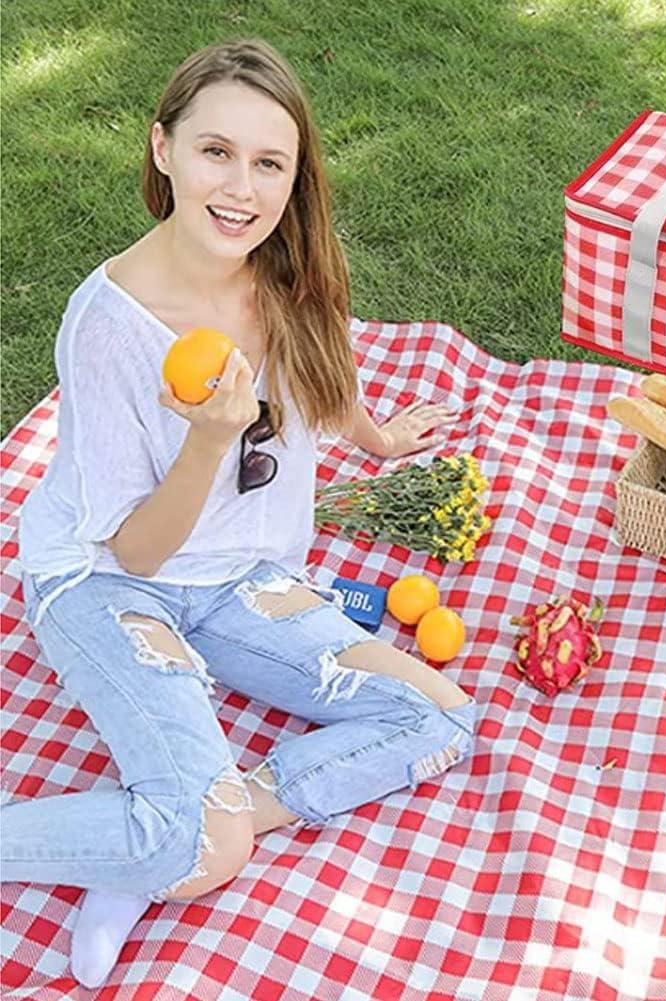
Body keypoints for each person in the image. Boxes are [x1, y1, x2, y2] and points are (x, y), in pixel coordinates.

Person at [2, 38, 480, 989]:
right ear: (162, 148)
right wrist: (211, 439)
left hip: (239, 584)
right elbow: (133, 549)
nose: (241, 188)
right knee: (204, 845)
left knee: (439, 715)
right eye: (215, 151)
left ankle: (167, 829)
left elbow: (316, 377)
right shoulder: (107, 324)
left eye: (270, 163)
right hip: (107, 585)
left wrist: (378, 439)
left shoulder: (284, 270)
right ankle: (174, 830)